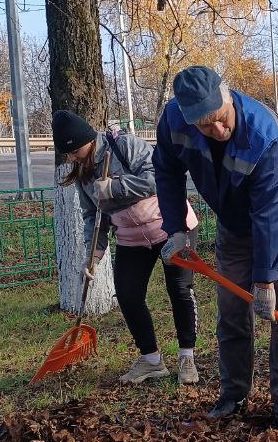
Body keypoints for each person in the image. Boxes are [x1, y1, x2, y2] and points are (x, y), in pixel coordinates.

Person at [152, 65, 278, 430]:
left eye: (221, 118)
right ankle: (234, 393)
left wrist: (265, 280)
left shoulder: (263, 132)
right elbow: (166, 171)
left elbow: (272, 212)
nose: (218, 129)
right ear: (188, 118)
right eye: (205, 125)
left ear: (228, 96)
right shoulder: (174, 121)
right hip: (234, 224)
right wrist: (176, 228)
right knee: (231, 310)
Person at [52, 110, 199, 385]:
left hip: (171, 227)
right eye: (67, 154)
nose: (71, 158)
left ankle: (186, 357)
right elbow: (92, 217)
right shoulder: (83, 172)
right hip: (132, 238)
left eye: (73, 151)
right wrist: (93, 256)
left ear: (87, 140)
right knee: (128, 296)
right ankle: (151, 360)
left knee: (179, 290)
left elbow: (159, 177)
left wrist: (116, 187)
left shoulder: (124, 146)